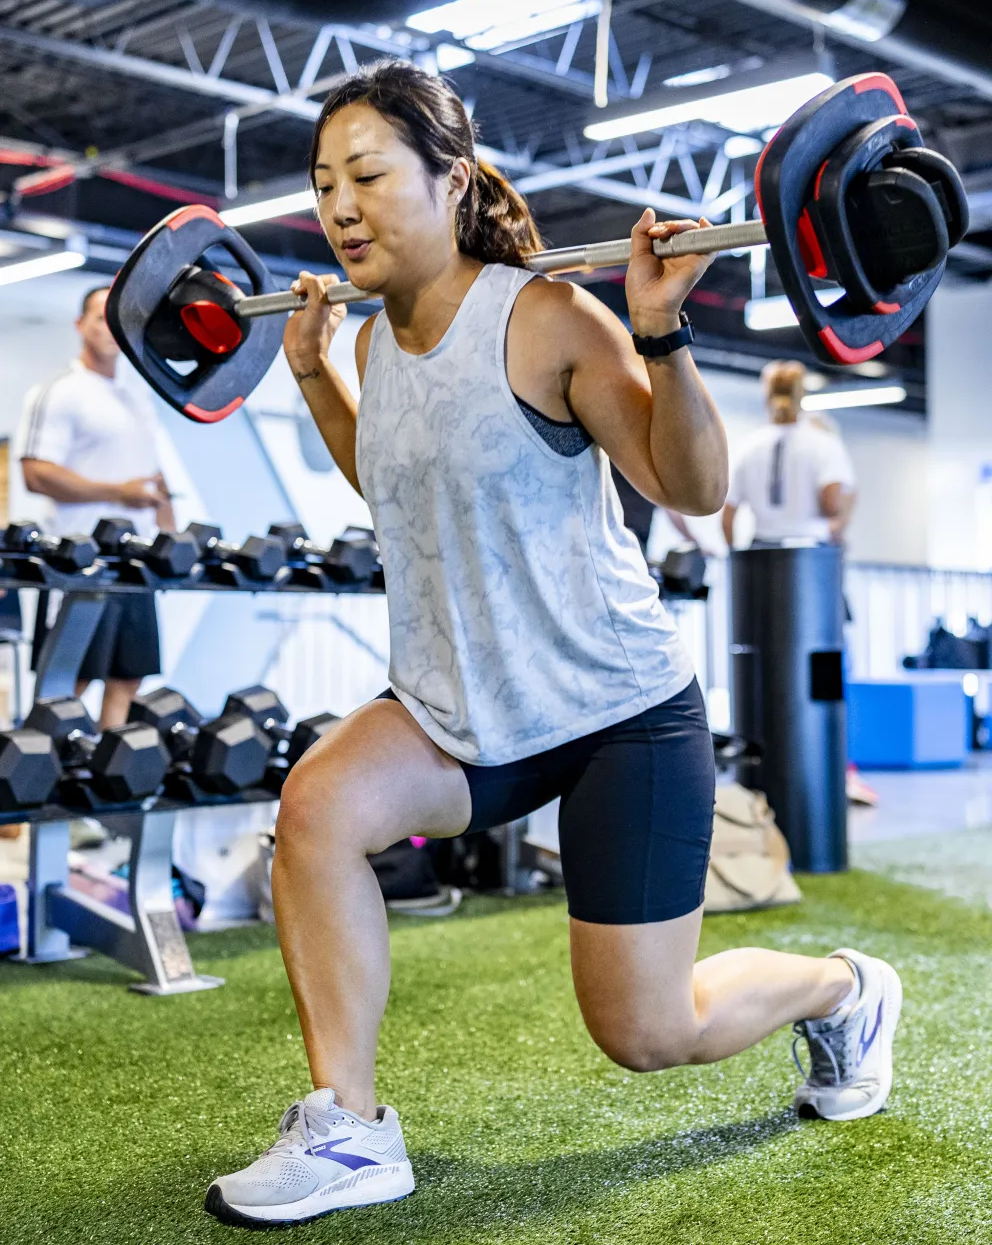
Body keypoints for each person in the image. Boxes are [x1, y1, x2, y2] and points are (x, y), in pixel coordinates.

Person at [205, 62, 902, 1229]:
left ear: (450, 178)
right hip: (467, 709)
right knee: (318, 806)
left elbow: (689, 486)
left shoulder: (547, 319)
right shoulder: (373, 346)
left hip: (613, 709)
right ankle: (349, 1129)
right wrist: (316, 376)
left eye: (367, 175)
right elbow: (395, 489)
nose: (337, 206)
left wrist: (661, 327)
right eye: (323, 183)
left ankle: (843, 990)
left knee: (645, 1030)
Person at [17, 285, 173, 728]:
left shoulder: (137, 397)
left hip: (136, 562)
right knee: (70, 683)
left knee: (128, 677)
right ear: (79, 325)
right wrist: (118, 492)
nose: (109, 328)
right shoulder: (62, 392)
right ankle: (42, 780)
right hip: (82, 561)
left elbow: (155, 479)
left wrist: (168, 536)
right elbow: (37, 474)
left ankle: (108, 776)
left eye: (116, 318)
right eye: (100, 317)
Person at [721, 360, 857, 550]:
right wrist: (842, 519)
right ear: (801, 394)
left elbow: (727, 516)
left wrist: (734, 555)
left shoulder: (749, 446)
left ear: (767, 396)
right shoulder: (824, 442)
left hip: (762, 551)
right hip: (810, 550)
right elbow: (831, 504)